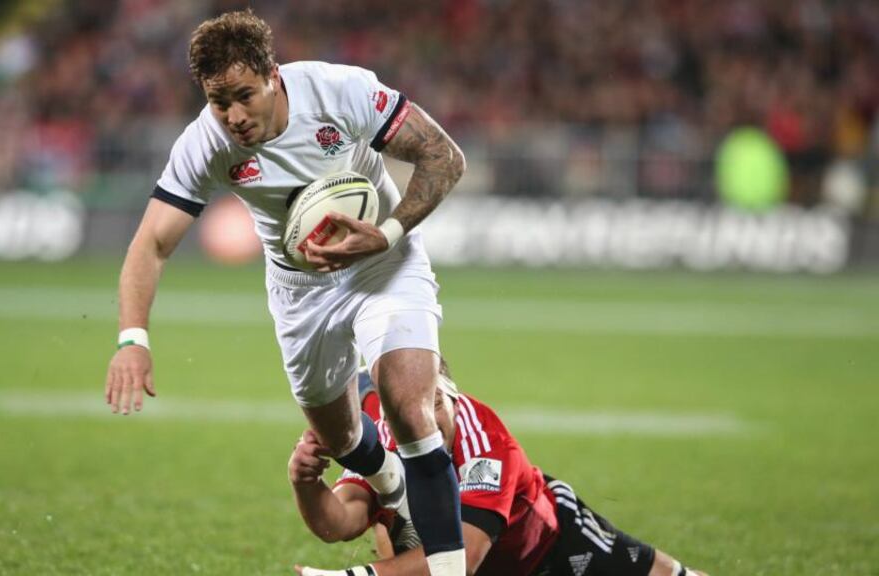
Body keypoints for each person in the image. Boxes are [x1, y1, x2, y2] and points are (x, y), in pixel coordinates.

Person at [103, 9, 468, 575]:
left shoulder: (339, 91)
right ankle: (391, 487)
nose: (233, 115)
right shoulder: (206, 143)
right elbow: (151, 242)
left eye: (244, 95)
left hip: (382, 262)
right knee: (342, 436)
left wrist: (388, 233)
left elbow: (444, 156)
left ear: (273, 73)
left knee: (407, 404)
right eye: (218, 101)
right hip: (299, 289)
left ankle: (448, 569)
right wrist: (133, 338)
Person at [288, 363, 709, 576]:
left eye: (434, 402)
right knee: (391, 514)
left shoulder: (483, 440)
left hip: (549, 545)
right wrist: (306, 482)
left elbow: (465, 556)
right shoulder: (384, 429)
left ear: (452, 393)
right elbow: (340, 521)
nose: (426, 421)